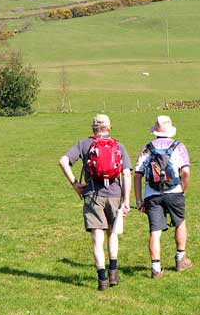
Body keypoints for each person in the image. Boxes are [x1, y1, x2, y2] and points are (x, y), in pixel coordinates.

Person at [59, 114, 132, 291]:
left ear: (93, 129)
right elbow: (127, 174)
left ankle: (102, 279)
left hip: (92, 195)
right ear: (109, 128)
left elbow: (63, 161)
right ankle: (114, 271)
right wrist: (126, 200)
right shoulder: (118, 145)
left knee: (97, 238)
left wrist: (76, 184)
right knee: (112, 234)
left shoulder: (84, 144)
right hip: (114, 195)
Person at [134, 115, 192, 278]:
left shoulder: (147, 148)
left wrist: (139, 200)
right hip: (174, 192)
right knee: (180, 223)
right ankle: (181, 260)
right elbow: (186, 172)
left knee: (155, 231)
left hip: (152, 195)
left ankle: (156, 269)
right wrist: (183, 190)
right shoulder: (179, 146)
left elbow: (137, 175)